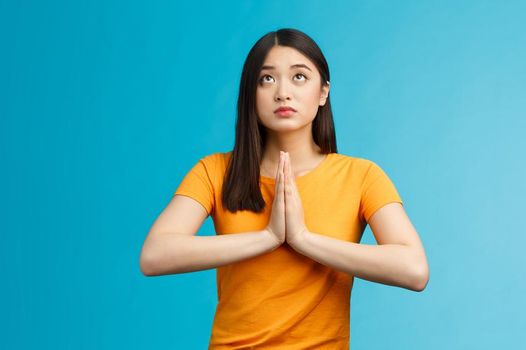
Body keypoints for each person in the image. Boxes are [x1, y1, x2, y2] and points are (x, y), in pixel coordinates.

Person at [140, 28, 429, 349]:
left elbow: (414, 270)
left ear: (323, 92)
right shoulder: (214, 171)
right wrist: (268, 238)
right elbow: (155, 256)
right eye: (266, 79)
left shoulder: (361, 176)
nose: (282, 92)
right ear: (251, 93)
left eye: (299, 77)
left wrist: (304, 239)